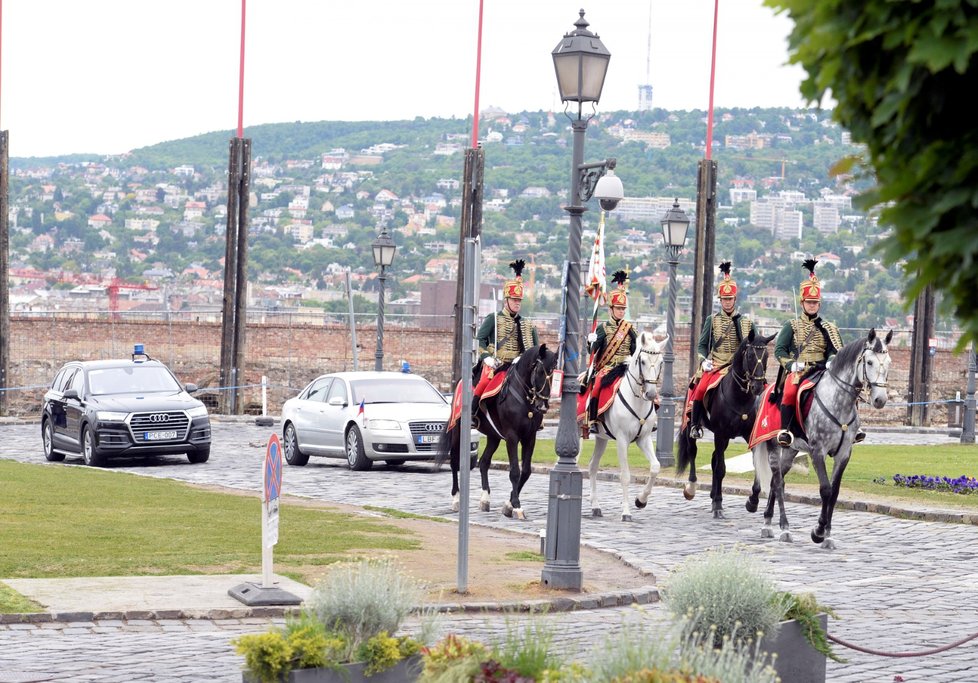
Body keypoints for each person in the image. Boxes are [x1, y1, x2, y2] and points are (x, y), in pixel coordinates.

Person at [774, 258, 863, 447]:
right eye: (809, 302)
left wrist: (832, 359)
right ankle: (786, 430)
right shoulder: (792, 325)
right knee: (790, 391)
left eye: (815, 302)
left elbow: (835, 351)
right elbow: (779, 350)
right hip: (800, 369)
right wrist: (791, 364)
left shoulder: (828, 327)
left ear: (819, 304)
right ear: (802, 302)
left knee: (848, 388)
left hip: (822, 370)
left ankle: (856, 427)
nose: (812, 305)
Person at [687, 262, 755, 439]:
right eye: (724, 299)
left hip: (737, 367)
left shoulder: (746, 322)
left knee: (760, 388)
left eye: (730, 299)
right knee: (700, 388)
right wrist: (704, 360)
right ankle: (695, 425)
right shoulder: (712, 320)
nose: (727, 302)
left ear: (735, 299)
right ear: (720, 300)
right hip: (716, 365)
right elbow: (702, 345)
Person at [472, 259, 539, 421]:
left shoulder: (527, 324)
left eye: (519, 300)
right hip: (497, 362)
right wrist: (486, 358)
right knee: (483, 382)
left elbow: (535, 349)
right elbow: (480, 339)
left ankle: (537, 417)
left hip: (517, 364)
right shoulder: (493, 318)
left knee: (536, 385)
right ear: (506, 300)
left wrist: (522, 358)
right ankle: (474, 414)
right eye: (514, 300)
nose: (517, 303)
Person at [583, 270, 637, 433]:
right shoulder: (603, 328)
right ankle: (593, 419)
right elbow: (593, 351)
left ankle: (649, 418)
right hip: (608, 368)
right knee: (598, 385)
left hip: (625, 368)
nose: (621, 311)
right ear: (611, 309)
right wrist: (590, 342)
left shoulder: (630, 329)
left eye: (623, 308)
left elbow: (635, 351)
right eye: (618, 308)